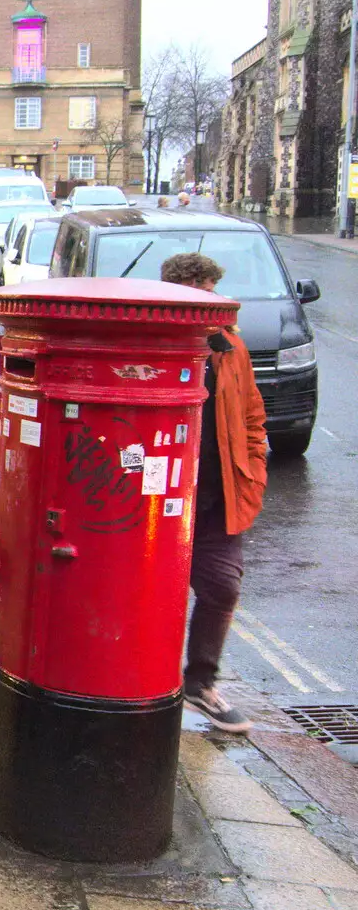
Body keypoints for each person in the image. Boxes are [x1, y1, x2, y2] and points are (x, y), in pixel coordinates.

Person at [162, 253, 266, 733]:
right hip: (159, 499)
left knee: (222, 586)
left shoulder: (230, 347)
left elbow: (251, 415)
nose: (213, 302)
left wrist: (253, 473)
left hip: (218, 495)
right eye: (201, 292)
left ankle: (201, 682)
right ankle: (148, 680)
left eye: (213, 291)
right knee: (153, 594)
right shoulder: (154, 341)